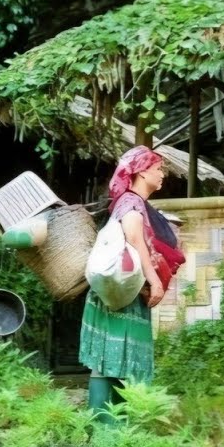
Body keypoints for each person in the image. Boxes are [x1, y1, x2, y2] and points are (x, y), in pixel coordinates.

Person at [79, 145, 185, 423]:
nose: (162, 174)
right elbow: (136, 241)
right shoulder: (131, 204)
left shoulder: (133, 203)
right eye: (158, 168)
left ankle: (116, 433)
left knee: (115, 360)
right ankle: (107, 432)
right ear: (140, 171)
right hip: (121, 295)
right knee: (110, 361)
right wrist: (154, 281)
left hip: (123, 293)